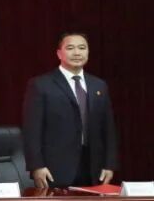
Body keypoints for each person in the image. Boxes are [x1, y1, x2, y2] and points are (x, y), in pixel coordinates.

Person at [22, 32, 118, 189]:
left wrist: (110, 164)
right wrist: (36, 166)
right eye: (70, 48)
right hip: (55, 168)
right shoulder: (41, 85)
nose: (77, 53)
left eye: (82, 48)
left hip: (93, 167)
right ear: (59, 53)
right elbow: (32, 130)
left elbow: (108, 128)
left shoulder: (99, 85)